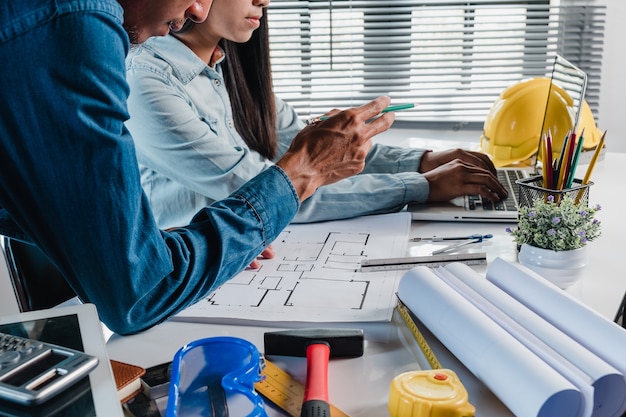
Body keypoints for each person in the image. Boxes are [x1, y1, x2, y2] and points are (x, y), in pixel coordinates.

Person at [0, 0, 395, 335]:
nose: (196, 10)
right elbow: (140, 296)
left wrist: (149, 244)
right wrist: (303, 170)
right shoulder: (80, 24)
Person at [124, 0, 508, 232]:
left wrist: (421, 161)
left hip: (253, 256)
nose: (265, 0)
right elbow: (266, 192)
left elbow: (304, 149)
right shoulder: (146, 81)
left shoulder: (227, 68)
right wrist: (419, 185)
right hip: (194, 282)